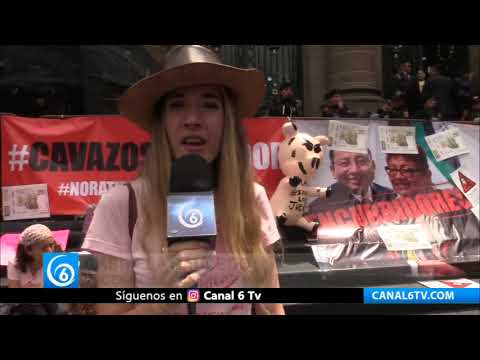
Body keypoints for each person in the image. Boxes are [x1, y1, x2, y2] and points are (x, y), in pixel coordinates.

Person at [82, 45, 284, 315]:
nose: (192, 119)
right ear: (161, 121)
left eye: (209, 105)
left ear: (228, 122)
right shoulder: (120, 205)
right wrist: (159, 301)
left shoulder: (252, 197)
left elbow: (273, 307)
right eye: (177, 106)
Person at [308, 149, 395, 215]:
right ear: (333, 170)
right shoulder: (319, 208)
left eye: (361, 161)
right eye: (344, 163)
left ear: (373, 166)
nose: (354, 170)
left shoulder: (392, 197)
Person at [7, 224, 60, 315]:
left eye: (51, 245)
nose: (50, 251)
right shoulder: (14, 263)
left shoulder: (58, 261)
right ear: (28, 250)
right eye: (44, 248)